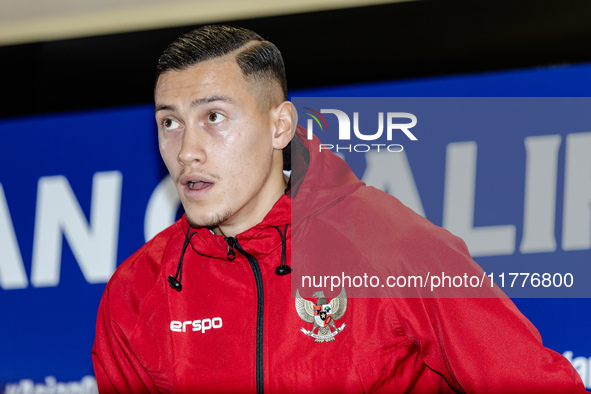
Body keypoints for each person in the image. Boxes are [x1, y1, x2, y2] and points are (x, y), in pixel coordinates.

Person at [92, 25, 586, 393]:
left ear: (280, 126)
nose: (186, 152)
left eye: (213, 117)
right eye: (169, 123)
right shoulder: (136, 293)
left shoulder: (391, 247)